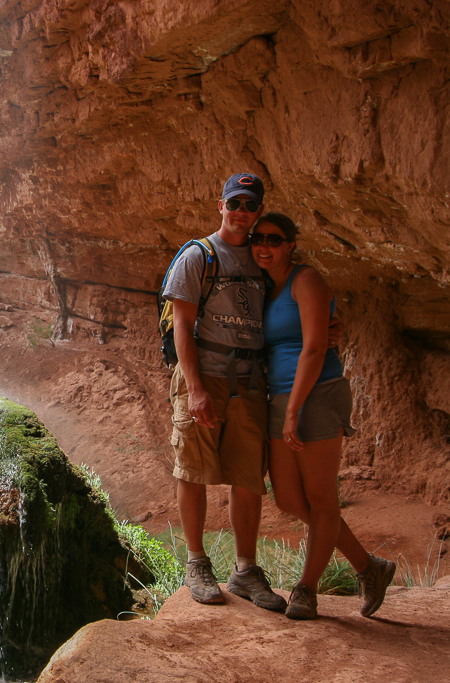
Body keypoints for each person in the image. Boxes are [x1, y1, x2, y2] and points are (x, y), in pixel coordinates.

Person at [250, 212, 396, 620]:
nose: (264, 245)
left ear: (291, 244)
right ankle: (370, 568)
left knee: (320, 498)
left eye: (274, 239)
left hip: (316, 394)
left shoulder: (306, 279)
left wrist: (294, 410)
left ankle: (306, 589)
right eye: (257, 238)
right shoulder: (266, 286)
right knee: (289, 498)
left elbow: (314, 350)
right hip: (280, 397)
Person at [162, 173, 286, 611]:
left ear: (258, 211)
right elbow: (181, 324)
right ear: (220, 205)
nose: (241, 213)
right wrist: (195, 389)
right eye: (234, 203)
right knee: (192, 469)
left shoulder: (263, 258)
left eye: (250, 206)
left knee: (248, 475)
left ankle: (246, 571)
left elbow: (289, 306)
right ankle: (197, 563)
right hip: (205, 378)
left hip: (251, 383)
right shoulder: (200, 256)